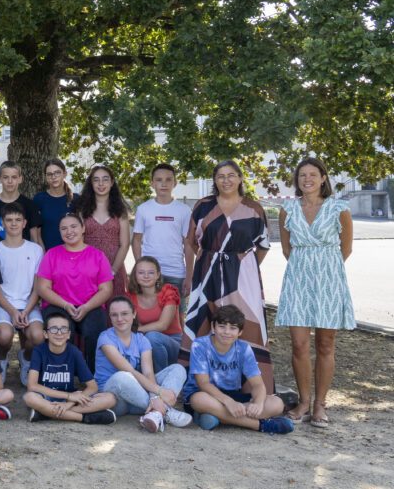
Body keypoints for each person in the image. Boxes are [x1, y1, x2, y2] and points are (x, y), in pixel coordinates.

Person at [182, 160, 274, 393]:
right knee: (203, 322)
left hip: (243, 276)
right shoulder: (203, 206)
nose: (226, 180)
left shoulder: (254, 208)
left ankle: (251, 390)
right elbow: (191, 241)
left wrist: (243, 265)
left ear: (241, 178)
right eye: (220, 176)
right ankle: (198, 388)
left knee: (247, 324)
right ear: (214, 180)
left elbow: (262, 245)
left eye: (231, 175)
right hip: (207, 272)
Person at [276, 157, 354, 427]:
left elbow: (346, 249)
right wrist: (306, 268)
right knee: (298, 344)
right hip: (297, 280)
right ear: (297, 181)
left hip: (329, 281)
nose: (306, 179)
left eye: (313, 174)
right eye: (301, 175)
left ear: (323, 178)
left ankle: (320, 405)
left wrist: (324, 271)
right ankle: (303, 402)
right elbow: (287, 250)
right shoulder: (287, 210)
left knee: (325, 344)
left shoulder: (338, 208)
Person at [182, 305, 293, 434]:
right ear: (213, 327)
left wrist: (258, 404)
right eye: (222, 326)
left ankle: (216, 416)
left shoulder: (243, 348)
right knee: (199, 400)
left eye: (233, 328)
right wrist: (228, 402)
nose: (227, 332)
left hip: (232, 394)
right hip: (205, 393)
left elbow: (257, 384)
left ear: (240, 332)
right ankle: (260, 425)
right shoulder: (200, 345)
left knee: (277, 403)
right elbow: (203, 384)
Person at [94, 297, 192, 432]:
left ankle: (155, 413)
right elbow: (130, 371)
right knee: (122, 376)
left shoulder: (142, 339)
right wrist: (160, 391)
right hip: (115, 399)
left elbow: (148, 373)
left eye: (124, 313)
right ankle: (166, 411)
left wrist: (155, 396)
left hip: (138, 399)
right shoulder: (105, 338)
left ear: (134, 314)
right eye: (114, 315)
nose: (119, 318)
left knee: (178, 369)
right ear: (110, 317)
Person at [35, 213, 114, 370]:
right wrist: (65, 305)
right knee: (61, 331)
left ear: (83, 228)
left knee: (94, 333)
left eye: (73, 226)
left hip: (91, 306)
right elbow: (42, 288)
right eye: (64, 228)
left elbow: (106, 289)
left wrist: (86, 307)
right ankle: (61, 374)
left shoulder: (97, 256)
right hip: (58, 305)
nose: (69, 231)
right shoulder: (52, 254)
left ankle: (92, 376)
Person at [23, 309, 116, 424]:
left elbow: (92, 387)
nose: (59, 333)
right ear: (45, 334)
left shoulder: (74, 352)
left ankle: (45, 413)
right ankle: (84, 418)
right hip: (46, 397)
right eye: (53, 329)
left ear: (68, 334)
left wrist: (68, 403)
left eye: (64, 329)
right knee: (29, 398)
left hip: (69, 399)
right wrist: (68, 396)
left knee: (110, 398)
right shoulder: (39, 351)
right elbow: (32, 386)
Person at [0, 202, 45, 382]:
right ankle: (1, 361)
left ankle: (26, 360)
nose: (13, 223)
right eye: (9, 220)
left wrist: (26, 310)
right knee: (4, 336)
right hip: (4, 305)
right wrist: (13, 311)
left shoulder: (36, 250)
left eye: (18, 220)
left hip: (29, 304)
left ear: (25, 223)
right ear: (2, 224)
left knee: (37, 336)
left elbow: (38, 286)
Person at [130, 163, 191, 294]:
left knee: (177, 314)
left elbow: (188, 244)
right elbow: (136, 240)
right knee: (149, 313)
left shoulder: (184, 210)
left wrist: (190, 274)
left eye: (168, 179)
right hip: (150, 274)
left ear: (175, 183)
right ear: (152, 183)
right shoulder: (143, 209)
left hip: (176, 273)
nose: (164, 184)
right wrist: (140, 267)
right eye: (159, 180)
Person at [74, 166, 130, 298]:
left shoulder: (120, 211)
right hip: (87, 268)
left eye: (105, 179)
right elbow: (77, 241)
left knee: (115, 311)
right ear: (91, 184)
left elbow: (125, 244)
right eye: (96, 180)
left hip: (114, 267)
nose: (101, 184)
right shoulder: (82, 210)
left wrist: (113, 271)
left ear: (111, 183)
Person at [126, 256, 182, 372]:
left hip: (173, 343)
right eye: (141, 272)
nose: (146, 276)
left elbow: (163, 325)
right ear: (135, 275)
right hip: (145, 343)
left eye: (151, 273)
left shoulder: (168, 291)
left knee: (152, 337)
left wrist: (138, 329)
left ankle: (162, 379)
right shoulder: (131, 297)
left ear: (158, 275)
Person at [0, 161, 42, 246]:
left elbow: (35, 239)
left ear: (20, 179)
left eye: (14, 177)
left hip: (24, 257)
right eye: (5, 177)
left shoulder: (30, 205)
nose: (10, 181)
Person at [32, 159, 77, 250]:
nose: (53, 177)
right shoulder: (39, 199)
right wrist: (43, 253)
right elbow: (36, 232)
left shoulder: (76, 199)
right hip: (48, 254)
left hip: (72, 254)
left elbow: (81, 230)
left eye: (57, 173)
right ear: (45, 176)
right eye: (49, 174)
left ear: (64, 174)